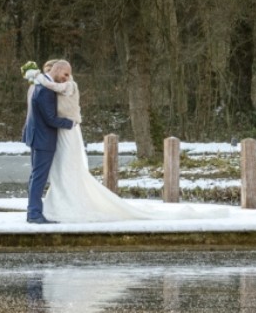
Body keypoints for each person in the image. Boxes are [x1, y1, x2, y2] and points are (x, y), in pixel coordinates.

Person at [33, 60, 226, 223]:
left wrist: (38, 77)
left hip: (67, 129)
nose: (65, 77)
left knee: (67, 168)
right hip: (62, 131)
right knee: (60, 169)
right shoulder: (49, 88)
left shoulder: (68, 85)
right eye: (63, 74)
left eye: (67, 74)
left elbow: (54, 89)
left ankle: (63, 205)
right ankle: (57, 203)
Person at [22, 60, 75, 223]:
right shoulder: (46, 90)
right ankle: (34, 214)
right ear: (57, 69)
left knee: (35, 176)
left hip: (35, 135)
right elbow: (51, 119)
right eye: (65, 74)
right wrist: (71, 123)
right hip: (43, 138)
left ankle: (33, 211)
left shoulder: (37, 84)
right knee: (39, 177)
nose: (67, 78)